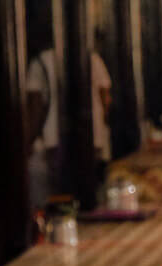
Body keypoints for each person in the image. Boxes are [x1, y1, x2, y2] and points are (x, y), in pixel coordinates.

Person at [26, 39, 111, 205]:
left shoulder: (41, 61)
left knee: (60, 190)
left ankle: (65, 223)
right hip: (93, 136)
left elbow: (35, 106)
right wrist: (99, 125)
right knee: (87, 186)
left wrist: (28, 141)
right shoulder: (92, 58)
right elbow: (105, 98)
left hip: (53, 137)